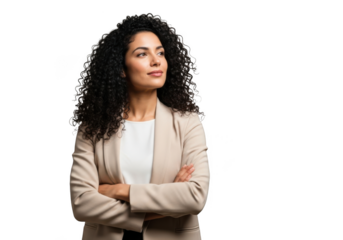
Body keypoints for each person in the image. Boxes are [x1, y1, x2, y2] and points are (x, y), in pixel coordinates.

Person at [69, 11, 209, 240]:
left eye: (160, 53)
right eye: (142, 54)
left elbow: (195, 197)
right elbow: (82, 203)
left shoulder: (187, 123)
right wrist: (166, 203)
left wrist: (118, 191)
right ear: (121, 68)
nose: (156, 61)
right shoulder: (93, 127)